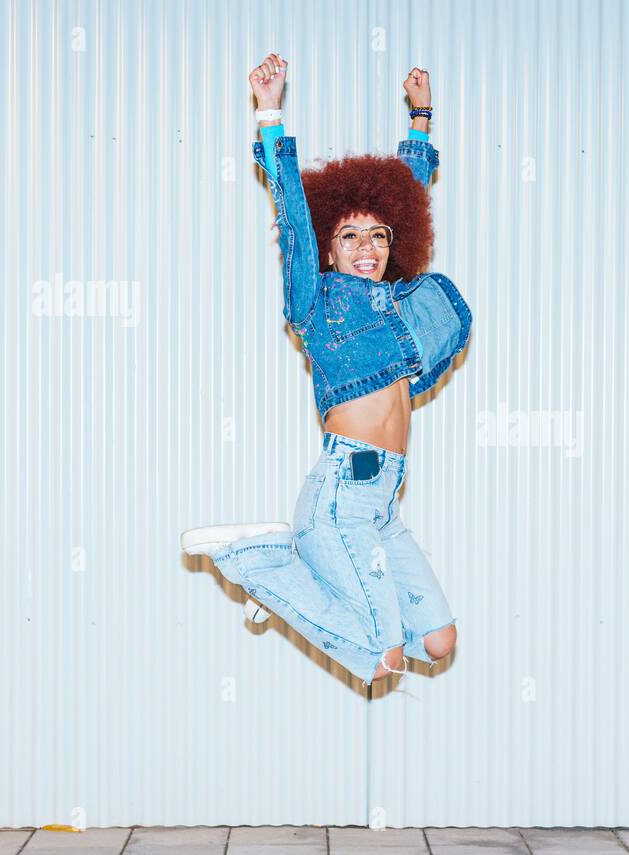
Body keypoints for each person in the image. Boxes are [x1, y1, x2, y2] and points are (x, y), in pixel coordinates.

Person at [181, 54, 472, 690]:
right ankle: (264, 565)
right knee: (379, 657)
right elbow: (291, 214)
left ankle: (301, 579)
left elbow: (406, 188)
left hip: (383, 502)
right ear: (328, 245)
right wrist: (269, 113)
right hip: (343, 492)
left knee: (437, 641)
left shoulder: (395, 305)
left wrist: (421, 118)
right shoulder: (316, 303)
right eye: (349, 237)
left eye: (379, 237)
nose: (367, 250)